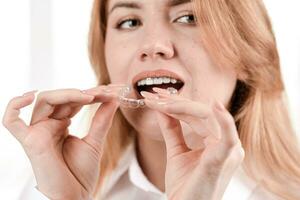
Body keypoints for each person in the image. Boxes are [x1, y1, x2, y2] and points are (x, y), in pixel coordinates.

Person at [2, 0, 300, 199]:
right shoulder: (49, 189)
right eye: (130, 22)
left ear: (246, 52)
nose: (154, 45)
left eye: (189, 17)